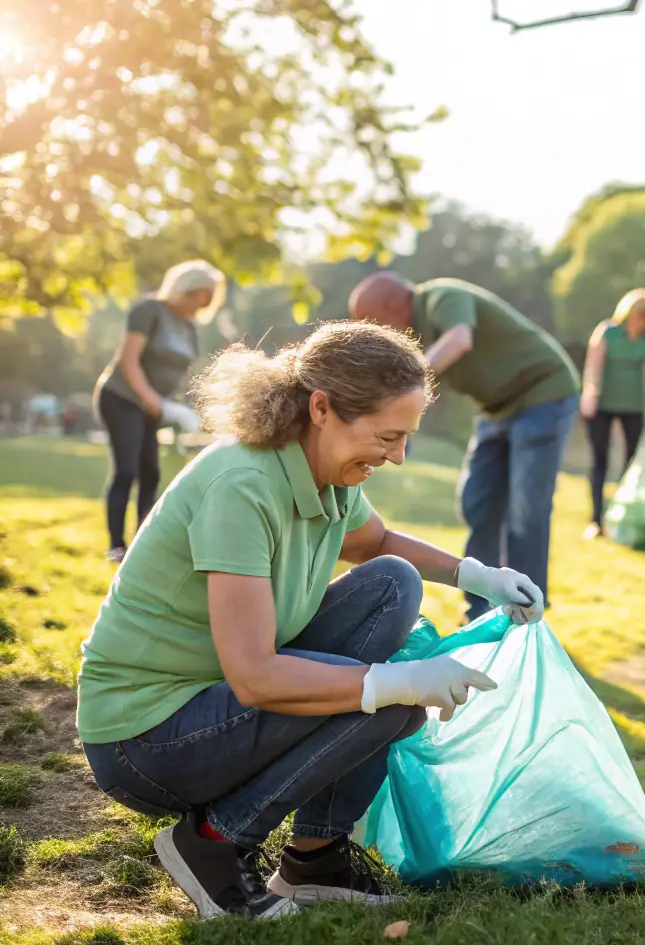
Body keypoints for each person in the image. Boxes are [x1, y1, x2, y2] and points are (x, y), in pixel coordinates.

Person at [76, 322, 546, 920]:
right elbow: (255, 679)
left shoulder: (325, 468)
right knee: (390, 702)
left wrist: (479, 576)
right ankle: (214, 843)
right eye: (387, 436)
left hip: (213, 705)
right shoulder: (242, 484)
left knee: (393, 581)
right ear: (321, 408)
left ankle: (314, 860)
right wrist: (395, 683)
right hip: (145, 741)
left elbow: (376, 543)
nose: (397, 456)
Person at [349, 272, 579, 620]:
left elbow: (459, 340)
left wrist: (406, 387)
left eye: (372, 321)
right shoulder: (417, 335)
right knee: (478, 503)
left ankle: (528, 607)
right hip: (496, 408)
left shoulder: (441, 296)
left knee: (525, 509)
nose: (375, 332)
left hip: (543, 393)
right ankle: (478, 607)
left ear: (393, 305)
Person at [93, 260, 223, 562]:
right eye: (199, 296)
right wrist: (155, 401)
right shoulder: (149, 311)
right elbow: (128, 360)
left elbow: (182, 372)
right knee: (126, 470)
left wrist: (180, 408)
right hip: (121, 397)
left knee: (150, 473)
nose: (201, 306)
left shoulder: (189, 327)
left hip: (154, 406)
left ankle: (141, 543)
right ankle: (116, 546)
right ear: (185, 289)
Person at [581, 288, 645, 538]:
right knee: (600, 460)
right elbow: (593, 365)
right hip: (602, 404)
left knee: (630, 463)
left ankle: (622, 515)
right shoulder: (608, 331)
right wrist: (590, 393)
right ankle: (597, 519)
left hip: (633, 407)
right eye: (639, 314)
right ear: (628, 312)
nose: (643, 320)